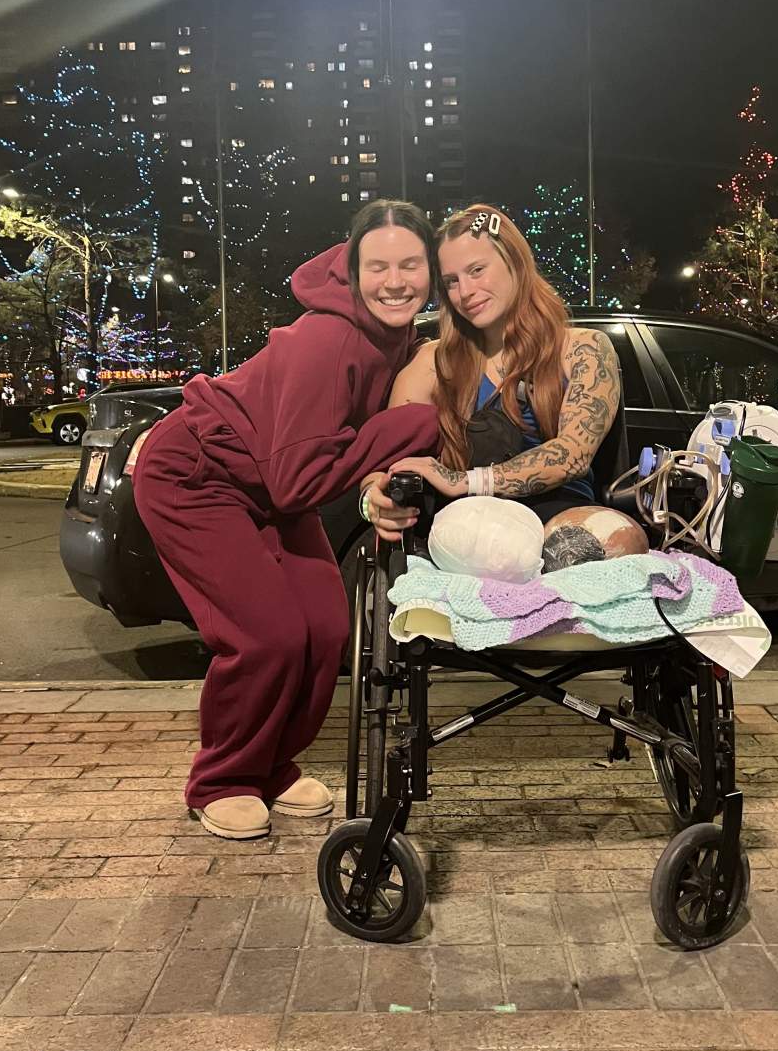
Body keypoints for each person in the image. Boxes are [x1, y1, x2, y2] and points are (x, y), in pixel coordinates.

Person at [133, 200, 440, 840]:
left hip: (266, 488)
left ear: (430, 271)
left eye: (410, 264)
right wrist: (414, 422)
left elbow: (326, 460)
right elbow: (300, 476)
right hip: (195, 475)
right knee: (266, 634)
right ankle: (221, 778)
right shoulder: (329, 338)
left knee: (327, 628)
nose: (395, 281)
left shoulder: (398, 338)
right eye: (377, 265)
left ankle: (270, 766)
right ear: (352, 269)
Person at [362, 203, 621, 541]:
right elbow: (382, 467)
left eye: (477, 270)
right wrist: (373, 501)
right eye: (452, 281)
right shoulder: (432, 363)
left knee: (622, 536)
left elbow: (573, 454)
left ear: (514, 261)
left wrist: (463, 481)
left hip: (565, 526)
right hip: (467, 530)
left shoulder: (583, 348)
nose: (465, 292)